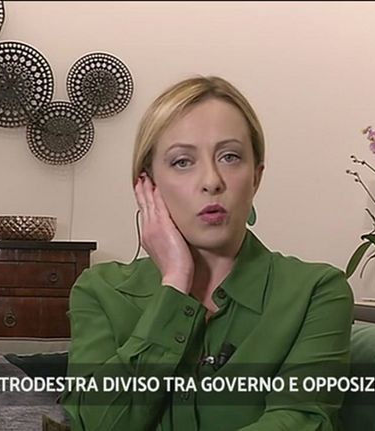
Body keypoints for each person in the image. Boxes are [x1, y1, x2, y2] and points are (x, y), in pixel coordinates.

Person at [61, 76, 354, 431]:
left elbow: (303, 420)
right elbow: (96, 424)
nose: (212, 181)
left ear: (256, 177)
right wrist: (174, 284)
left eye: (230, 157)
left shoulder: (317, 291)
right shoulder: (99, 290)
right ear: (148, 184)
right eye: (182, 161)